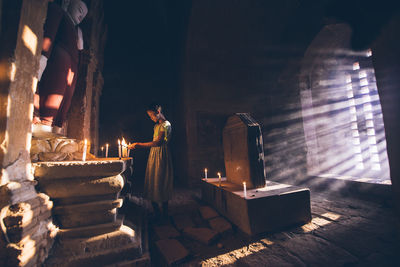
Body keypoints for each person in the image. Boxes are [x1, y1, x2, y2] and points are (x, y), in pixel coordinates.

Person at [33, 0, 88, 136]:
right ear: (68, 3)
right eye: (80, 9)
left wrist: (80, 44)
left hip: (72, 70)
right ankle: (43, 126)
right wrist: (43, 57)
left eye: (84, 15)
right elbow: (50, 34)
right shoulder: (60, 14)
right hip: (58, 62)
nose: (82, 16)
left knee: (65, 100)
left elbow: (81, 59)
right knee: (53, 92)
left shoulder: (77, 31)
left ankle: (56, 127)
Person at [129, 103, 174, 221]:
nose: (151, 118)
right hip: (153, 155)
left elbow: (158, 142)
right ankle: (157, 213)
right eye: (149, 116)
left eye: (152, 115)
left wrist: (139, 144)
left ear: (158, 112)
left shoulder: (166, 125)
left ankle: (164, 214)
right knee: (152, 182)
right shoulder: (156, 127)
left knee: (161, 181)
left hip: (161, 156)